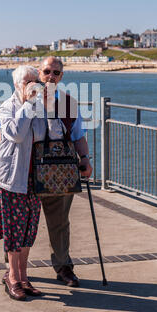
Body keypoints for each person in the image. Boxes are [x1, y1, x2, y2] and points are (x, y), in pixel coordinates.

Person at [0, 65, 66, 300]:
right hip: (12, 178)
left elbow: (55, 136)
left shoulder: (42, 106)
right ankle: (12, 277)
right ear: (17, 86)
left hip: (35, 179)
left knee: (28, 231)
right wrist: (28, 104)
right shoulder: (7, 107)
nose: (34, 85)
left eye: (36, 81)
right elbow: (15, 134)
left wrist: (50, 107)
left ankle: (24, 278)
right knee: (14, 232)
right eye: (28, 82)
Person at [38, 56, 93, 287]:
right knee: (19, 221)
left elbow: (78, 134)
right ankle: (13, 270)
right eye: (47, 71)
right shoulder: (25, 98)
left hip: (61, 170)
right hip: (27, 168)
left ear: (62, 77)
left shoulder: (69, 102)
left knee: (60, 221)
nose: (51, 76)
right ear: (39, 73)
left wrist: (85, 159)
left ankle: (64, 267)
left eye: (56, 73)